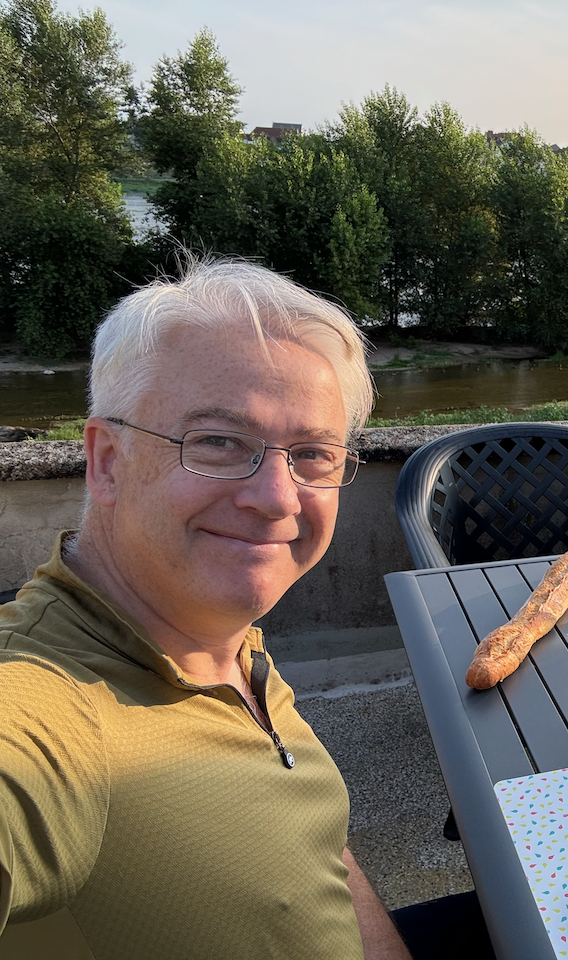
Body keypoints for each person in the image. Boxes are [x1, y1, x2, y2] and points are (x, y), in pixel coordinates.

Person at [0, 260, 412, 958]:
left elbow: (316, 850)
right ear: (105, 461)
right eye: (219, 442)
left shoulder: (224, 638)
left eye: (312, 453)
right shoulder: (48, 708)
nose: (279, 499)